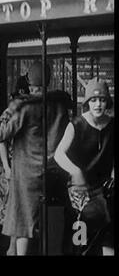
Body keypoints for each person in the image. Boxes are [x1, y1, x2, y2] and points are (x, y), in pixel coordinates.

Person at [0, 61, 72, 255]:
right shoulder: (60, 105)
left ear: (29, 80)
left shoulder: (26, 106)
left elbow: (3, 133)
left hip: (27, 173)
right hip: (53, 170)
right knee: (52, 221)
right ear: (49, 79)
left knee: (22, 224)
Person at [54, 78, 114, 256]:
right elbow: (59, 154)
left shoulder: (112, 125)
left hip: (105, 189)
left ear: (107, 102)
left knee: (109, 236)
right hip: (80, 190)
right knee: (79, 243)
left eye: (102, 100)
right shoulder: (76, 125)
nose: (98, 104)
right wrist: (75, 171)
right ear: (87, 103)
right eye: (93, 100)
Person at [0, 75, 29, 255]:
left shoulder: (24, 110)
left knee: (17, 207)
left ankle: (13, 248)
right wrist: (7, 167)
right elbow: (1, 140)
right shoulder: (9, 112)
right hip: (9, 164)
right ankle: (12, 248)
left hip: (20, 163)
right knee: (12, 207)